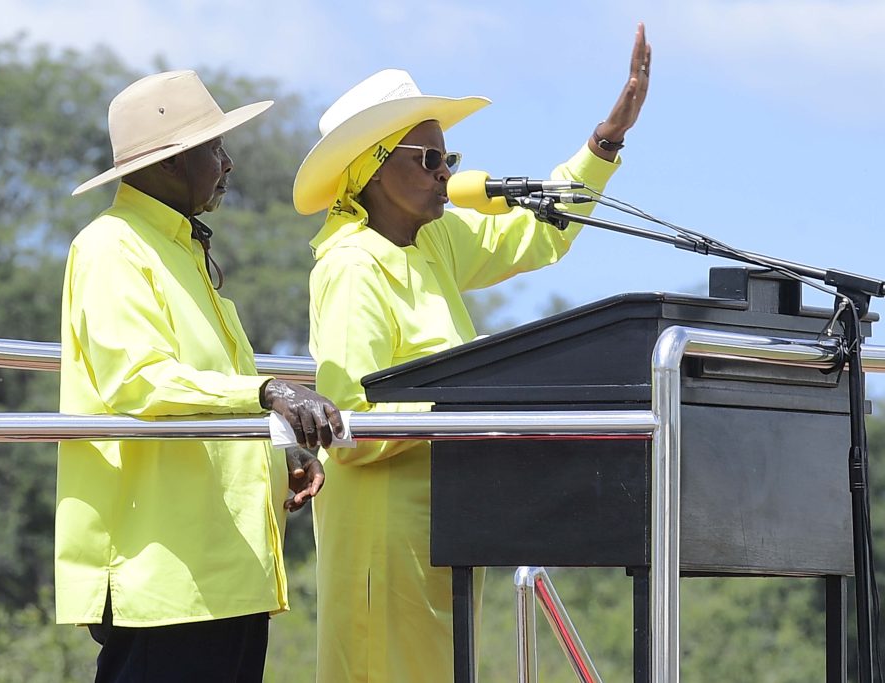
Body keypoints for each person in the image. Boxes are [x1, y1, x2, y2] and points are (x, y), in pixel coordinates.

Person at [293, 25, 651, 682]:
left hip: (444, 523)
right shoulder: (351, 266)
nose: (446, 172)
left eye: (448, 157)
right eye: (429, 158)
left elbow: (537, 234)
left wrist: (604, 143)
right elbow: (349, 423)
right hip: (383, 537)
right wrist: (461, 409)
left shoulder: (431, 241)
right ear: (374, 169)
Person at [57, 70, 344, 683]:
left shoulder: (181, 248)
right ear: (170, 160)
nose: (228, 163)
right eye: (214, 148)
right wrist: (269, 393)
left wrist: (281, 453)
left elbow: (210, 387)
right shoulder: (111, 246)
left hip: (227, 571)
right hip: (162, 572)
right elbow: (139, 381)